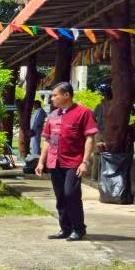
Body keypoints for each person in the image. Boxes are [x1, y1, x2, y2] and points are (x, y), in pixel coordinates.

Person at [36, 82, 99, 241]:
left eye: (55, 95)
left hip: (73, 162)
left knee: (71, 194)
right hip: (55, 162)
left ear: (66, 95)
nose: (52, 98)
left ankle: (78, 228)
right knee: (60, 197)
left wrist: (85, 162)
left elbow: (89, 138)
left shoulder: (83, 113)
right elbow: (48, 141)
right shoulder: (53, 115)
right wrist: (41, 162)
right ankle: (65, 229)